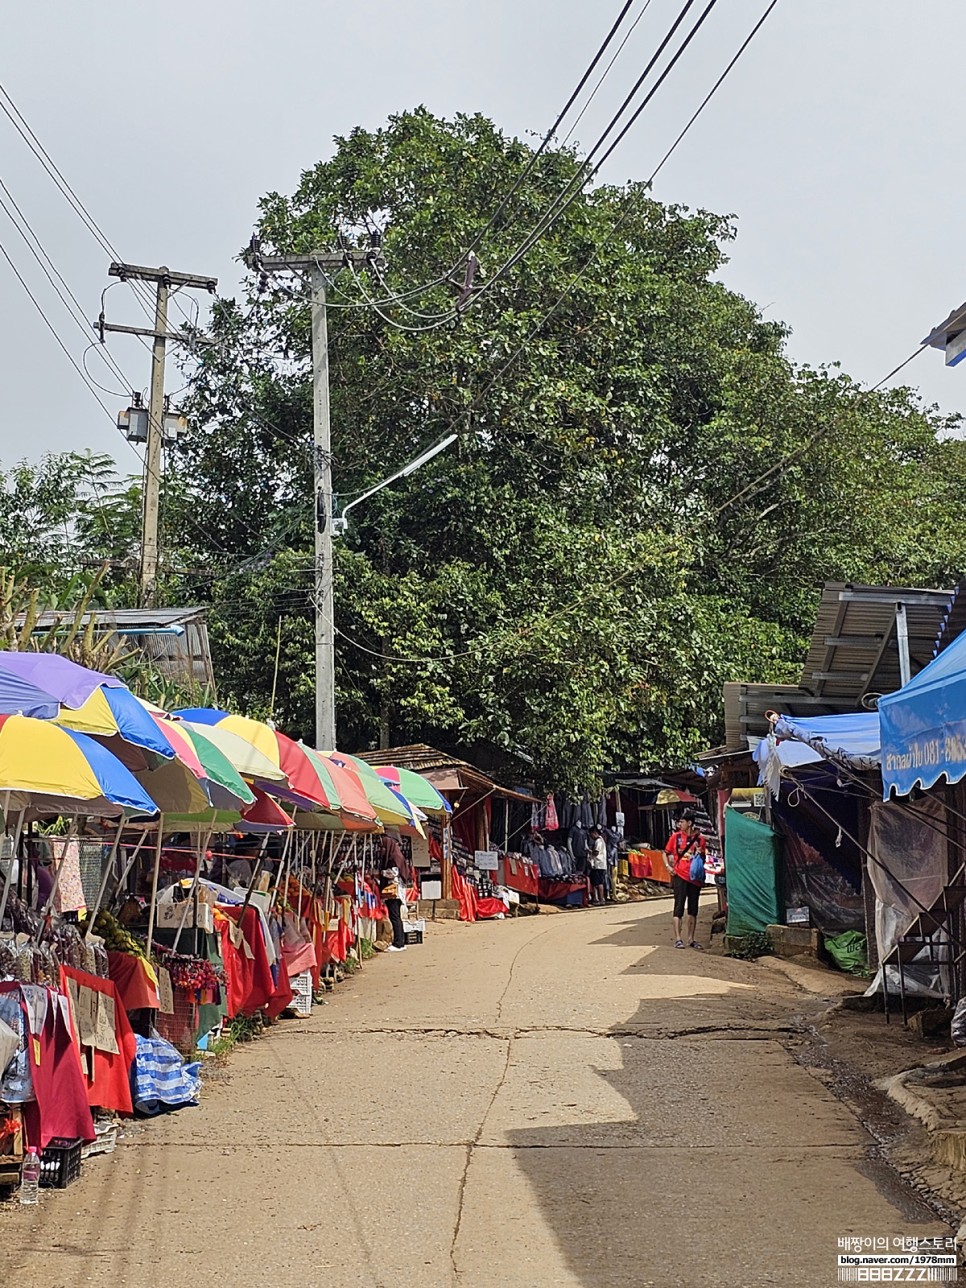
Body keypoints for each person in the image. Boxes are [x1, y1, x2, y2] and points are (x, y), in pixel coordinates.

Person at [664, 809, 706, 949]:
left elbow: (704, 858)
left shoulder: (700, 840)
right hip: (679, 876)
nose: (679, 824)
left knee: (693, 910)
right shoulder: (675, 837)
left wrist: (700, 854)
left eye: (681, 821)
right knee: (678, 907)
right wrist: (668, 867)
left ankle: (691, 939)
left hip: (695, 878)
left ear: (689, 823)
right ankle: (678, 939)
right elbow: (665, 853)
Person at [587, 827, 608, 905]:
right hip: (600, 864)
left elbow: (596, 853)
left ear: (594, 833)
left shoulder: (598, 841)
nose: (591, 836)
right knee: (595, 882)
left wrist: (589, 851)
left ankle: (600, 899)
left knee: (598, 883)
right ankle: (596, 898)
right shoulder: (601, 840)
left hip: (598, 864)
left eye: (591, 834)